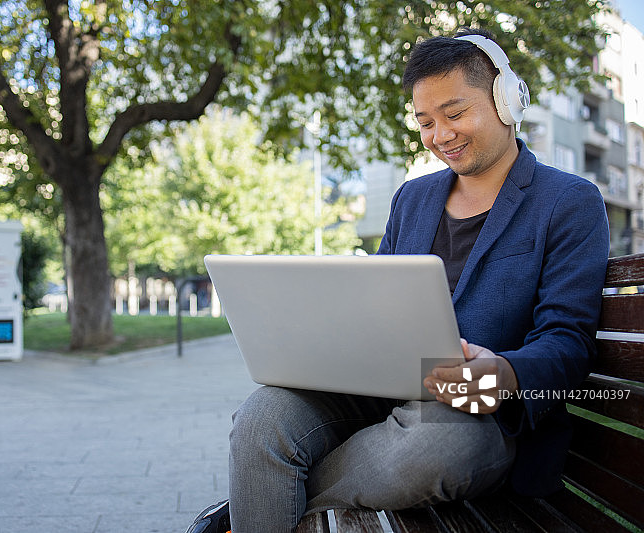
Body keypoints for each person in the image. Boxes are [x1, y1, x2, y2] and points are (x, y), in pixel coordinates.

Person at [186, 28, 610, 533]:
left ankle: (245, 510)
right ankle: (263, 496)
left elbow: (568, 343)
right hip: (384, 389)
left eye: (454, 114)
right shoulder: (413, 198)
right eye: (425, 122)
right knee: (262, 418)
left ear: (506, 98)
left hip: (481, 408)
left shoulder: (568, 201)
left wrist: (502, 373)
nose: (440, 136)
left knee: (438, 445)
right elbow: (378, 304)